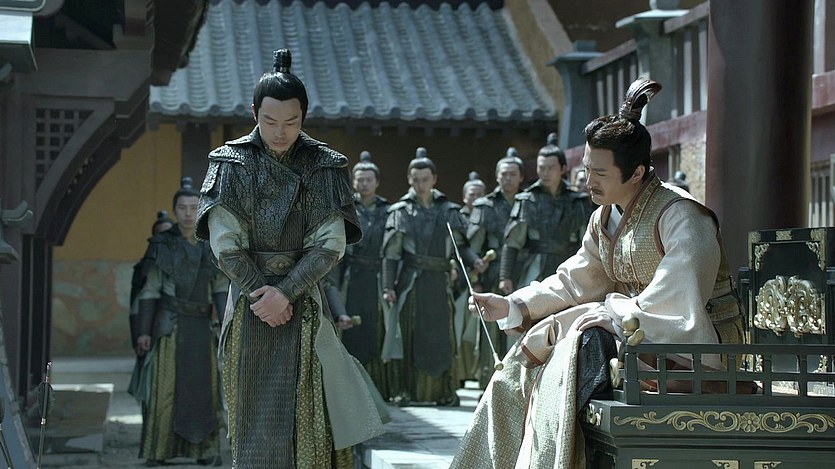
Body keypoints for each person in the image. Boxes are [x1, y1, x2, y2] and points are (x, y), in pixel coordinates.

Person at [450, 78, 744, 468]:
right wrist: (512, 304)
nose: (588, 182)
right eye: (587, 170)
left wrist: (616, 315)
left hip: (693, 344)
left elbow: (679, 295)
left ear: (637, 173)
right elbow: (576, 279)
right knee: (522, 367)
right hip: (634, 333)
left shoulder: (682, 216)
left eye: (600, 174)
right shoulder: (603, 217)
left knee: (581, 343)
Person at [195, 49, 386, 468]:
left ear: (304, 116)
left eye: (291, 122)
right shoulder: (231, 163)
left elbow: (330, 244)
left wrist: (285, 293)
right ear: (254, 113)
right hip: (250, 305)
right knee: (250, 410)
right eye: (269, 121)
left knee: (311, 407)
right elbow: (225, 244)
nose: (280, 132)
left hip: (304, 302)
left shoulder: (323, 165)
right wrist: (263, 295)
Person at [135, 178, 229, 467]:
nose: (188, 213)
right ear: (175, 210)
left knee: (203, 391)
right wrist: (144, 332)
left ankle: (205, 451)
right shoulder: (162, 244)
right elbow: (150, 290)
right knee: (165, 389)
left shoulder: (211, 243)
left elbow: (220, 288)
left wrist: (225, 327)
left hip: (201, 327)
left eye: (193, 207)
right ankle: (158, 450)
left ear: (200, 208)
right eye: (182, 208)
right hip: (170, 327)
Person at [381, 149, 485, 406]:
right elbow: (391, 254)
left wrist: (475, 261)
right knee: (411, 335)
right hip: (412, 282)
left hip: (440, 282)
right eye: (415, 179)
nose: (420, 184)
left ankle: (443, 392)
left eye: (425, 179)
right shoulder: (401, 211)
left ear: (434, 179)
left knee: (442, 337)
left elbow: (461, 246)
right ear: (409, 179)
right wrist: (388, 286)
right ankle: (406, 391)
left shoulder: (447, 210)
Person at [326, 151, 393, 399]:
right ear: (353, 182)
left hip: (377, 275)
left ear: (377, 182)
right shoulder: (346, 208)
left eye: (368, 180)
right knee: (352, 328)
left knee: (377, 328)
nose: (364, 184)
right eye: (359, 179)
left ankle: (380, 388)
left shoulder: (388, 210)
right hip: (352, 274)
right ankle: (350, 387)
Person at [499, 133, 591, 294]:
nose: (545, 173)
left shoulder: (578, 201)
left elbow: (587, 242)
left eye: (550, 168)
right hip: (534, 266)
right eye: (541, 168)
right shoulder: (527, 199)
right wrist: (505, 276)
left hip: (569, 266)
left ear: (563, 169)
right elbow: (512, 242)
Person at [465, 148, 526, 386]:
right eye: (504, 174)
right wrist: (476, 262)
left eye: (512, 174)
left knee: (522, 321)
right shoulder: (485, 206)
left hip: (523, 267)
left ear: (521, 177)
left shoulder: (528, 202)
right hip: (492, 271)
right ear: (497, 176)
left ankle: (519, 379)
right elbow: (471, 243)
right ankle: (488, 379)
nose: (508, 178)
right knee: (492, 325)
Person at [454, 171, 487, 386]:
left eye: (479, 194)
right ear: (464, 196)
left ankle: (475, 372)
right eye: (471, 194)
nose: (475, 198)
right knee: (459, 327)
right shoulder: (457, 217)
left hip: (482, 278)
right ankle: (459, 373)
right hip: (459, 279)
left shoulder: (487, 216)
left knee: (476, 329)